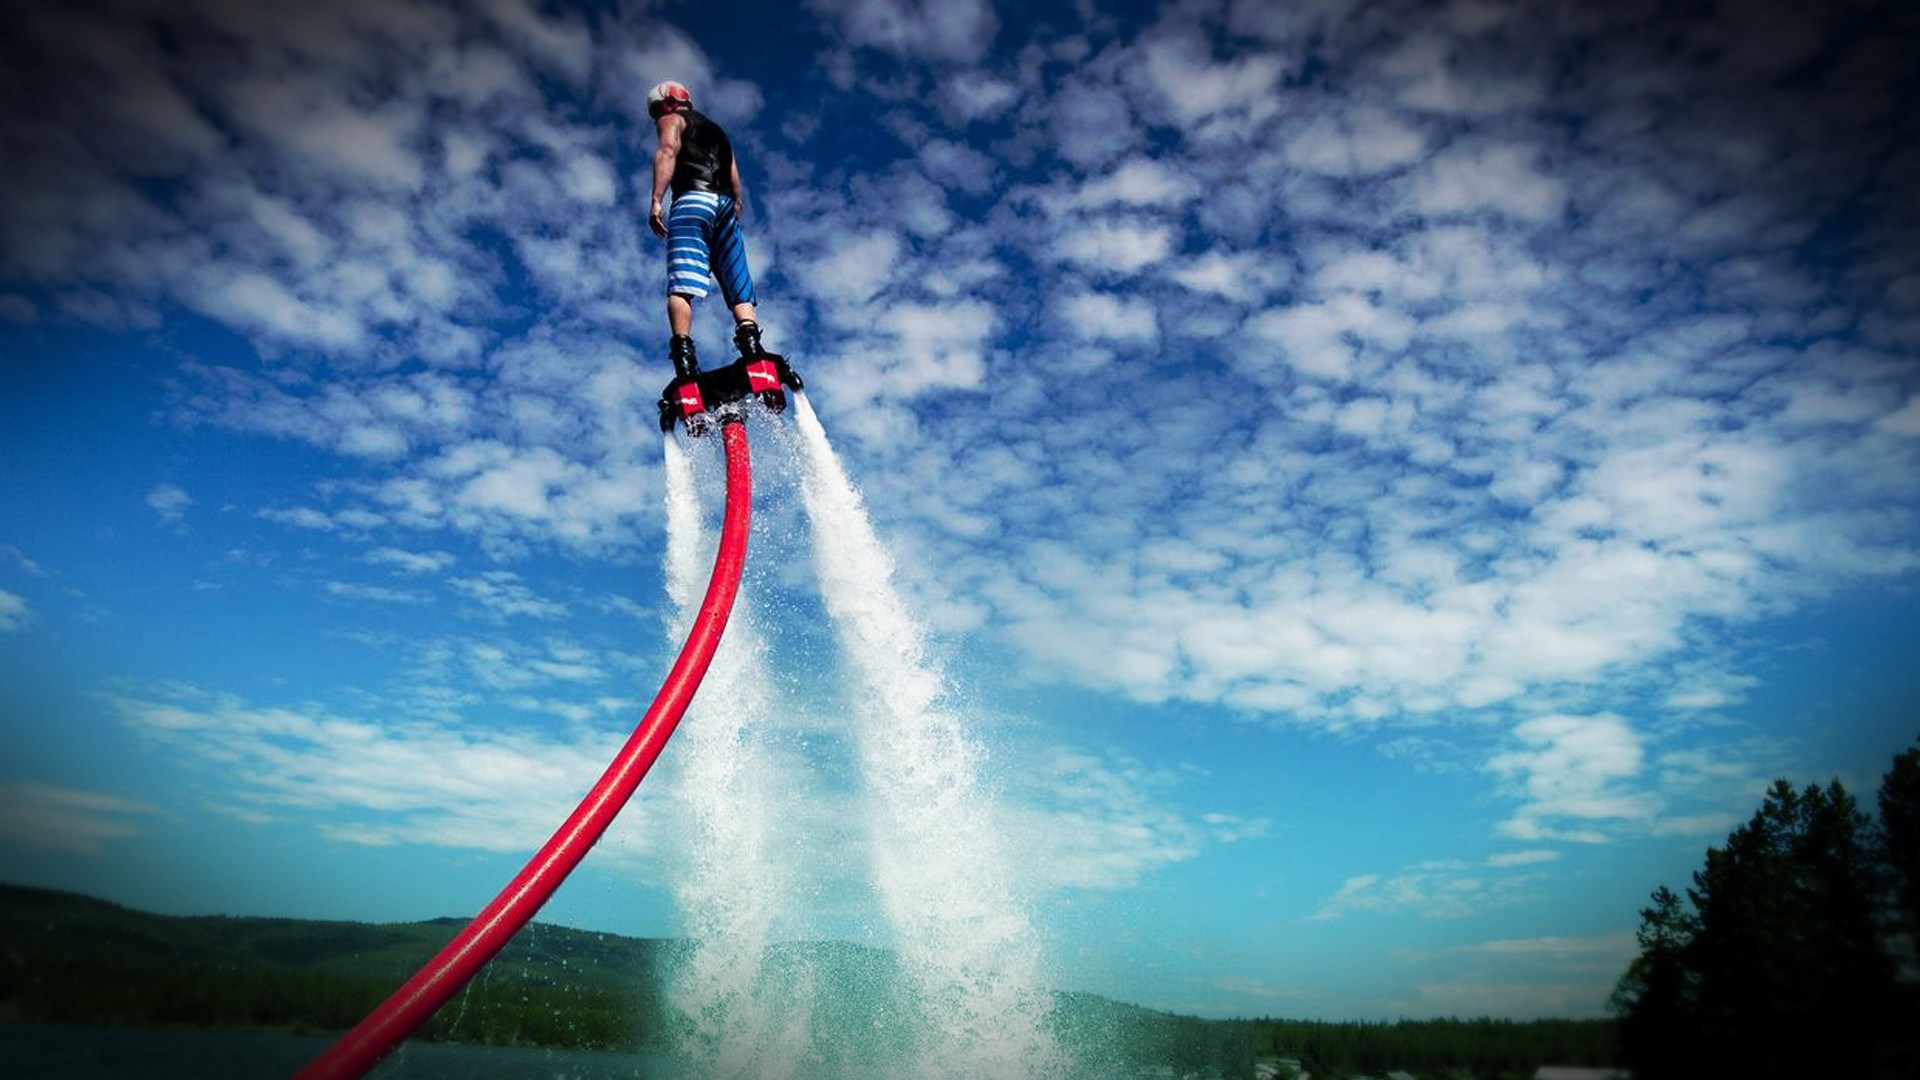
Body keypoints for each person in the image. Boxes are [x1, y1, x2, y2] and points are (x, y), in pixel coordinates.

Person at [646, 80, 770, 380]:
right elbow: (733, 171)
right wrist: (737, 202)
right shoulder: (717, 131)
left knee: (681, 283)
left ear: (666, 103)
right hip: (725, 204)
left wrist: (656, 200)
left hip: (692, 198)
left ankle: (684, 361)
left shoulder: (672, 119)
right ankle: (752, 348)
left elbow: (667, 151)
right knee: (736, 279)